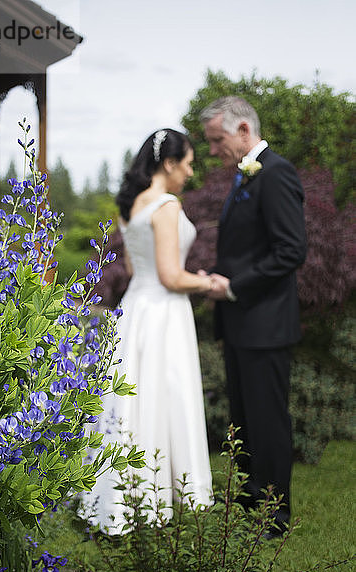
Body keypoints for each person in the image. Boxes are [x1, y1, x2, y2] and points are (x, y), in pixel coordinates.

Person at [86, 128, 213, 534]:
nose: (191, 172)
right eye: (189, 163)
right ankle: (164, 494)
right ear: (170, 163)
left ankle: (121, 495)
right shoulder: (167, 205)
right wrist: (208, 282)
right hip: (164, 311)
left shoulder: (131, 206)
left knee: (132, 400)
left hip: (135, 308)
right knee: (163, 394)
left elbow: (131, 265)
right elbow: (172, 277)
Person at [200, 96, 307, 538]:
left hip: (265, 323)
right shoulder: (244, 178)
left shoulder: (276, 173)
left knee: (267, 420)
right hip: (242, 323)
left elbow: (291, 251)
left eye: (216, 140)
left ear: (243, 130)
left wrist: (235, 286)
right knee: (244, 420)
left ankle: (274, 518)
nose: (211, 151)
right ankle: (249, 505)